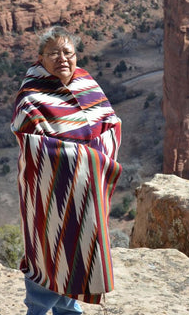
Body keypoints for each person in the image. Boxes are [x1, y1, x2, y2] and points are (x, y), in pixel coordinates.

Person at [11, 25, 122, 315]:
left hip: (85, 189)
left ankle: (69, 311)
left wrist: (91, 158)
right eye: (53, 53)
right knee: (47, 253)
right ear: (41, 59)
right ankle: (36, 310)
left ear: (76, 56)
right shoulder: (31, 96)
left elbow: (110, 123)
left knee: (75, 250)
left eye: (67, 52)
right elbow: (30, 142)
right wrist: (81, 155)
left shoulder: (87, 85)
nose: (62, 58)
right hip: (48, 191)